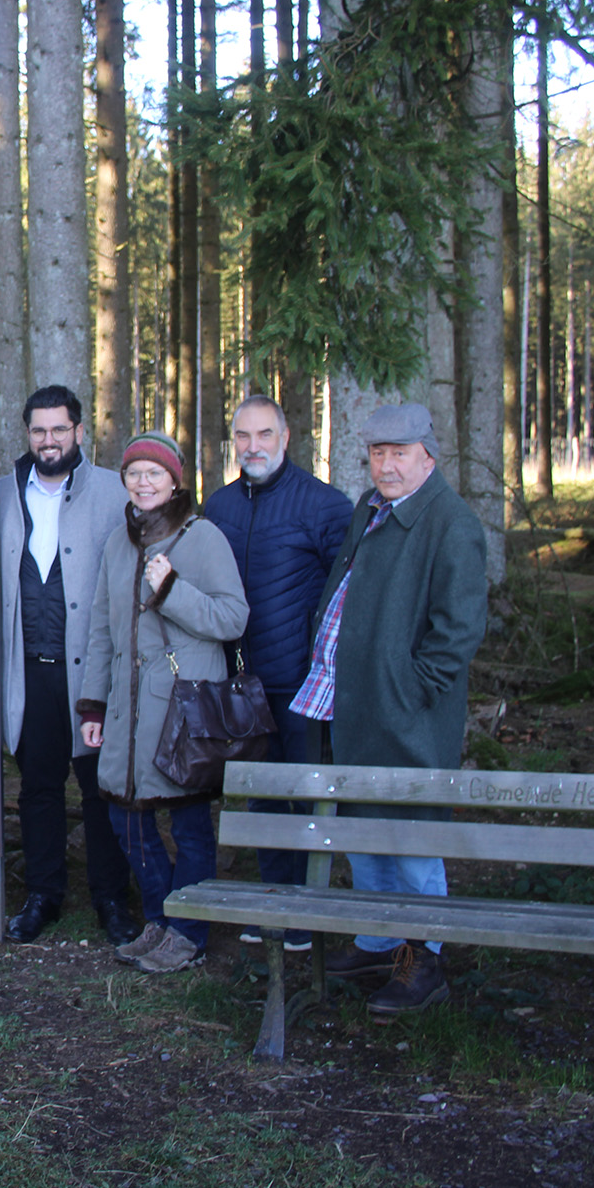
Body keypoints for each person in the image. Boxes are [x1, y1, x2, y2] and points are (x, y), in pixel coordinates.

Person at [289, 403, 488, 1018]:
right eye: (377, 453)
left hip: (405, 712)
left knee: (411, 833)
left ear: (429, 455)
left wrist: (411, 689)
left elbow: (457, 632)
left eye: (400, 453)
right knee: (363, 826)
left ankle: (422, 958)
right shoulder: (370, 509)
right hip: (351, 702)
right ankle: (379, 941)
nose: (387, 465)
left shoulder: (451, 524)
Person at [77, 431, 250, 974]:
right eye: (134, 472)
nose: (143, 481)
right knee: (126, 816)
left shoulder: (202, 538)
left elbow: (232, 618)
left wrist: (173, 590)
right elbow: (102, 630)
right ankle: (159, 917)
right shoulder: (117, 541)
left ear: (176, 480)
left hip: (182, 709)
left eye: (155, 473)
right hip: (127, 712)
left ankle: (189, 933)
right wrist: (92, 706)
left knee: (190, 821)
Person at [202, 396, 352, 949]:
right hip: (242, 685)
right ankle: (275, 899)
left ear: (285, 438)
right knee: (262, 794)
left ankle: (308, 910)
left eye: (264, 434)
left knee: (307, 794)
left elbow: (348, 593)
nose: (253, 446)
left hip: (303, 684)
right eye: (243, 436)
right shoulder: (219, 506)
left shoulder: (324, 506)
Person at [0, 385, 140, 946]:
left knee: (101, 785)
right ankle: (43, 894)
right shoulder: (2, 493)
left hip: (92, 669)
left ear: (79, 431)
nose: (48, 440)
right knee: (38, 786)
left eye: (59, 429)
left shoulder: (111, 492)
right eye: (38, 430)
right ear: (26, 433)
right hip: (28, 669)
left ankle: (111, 897)